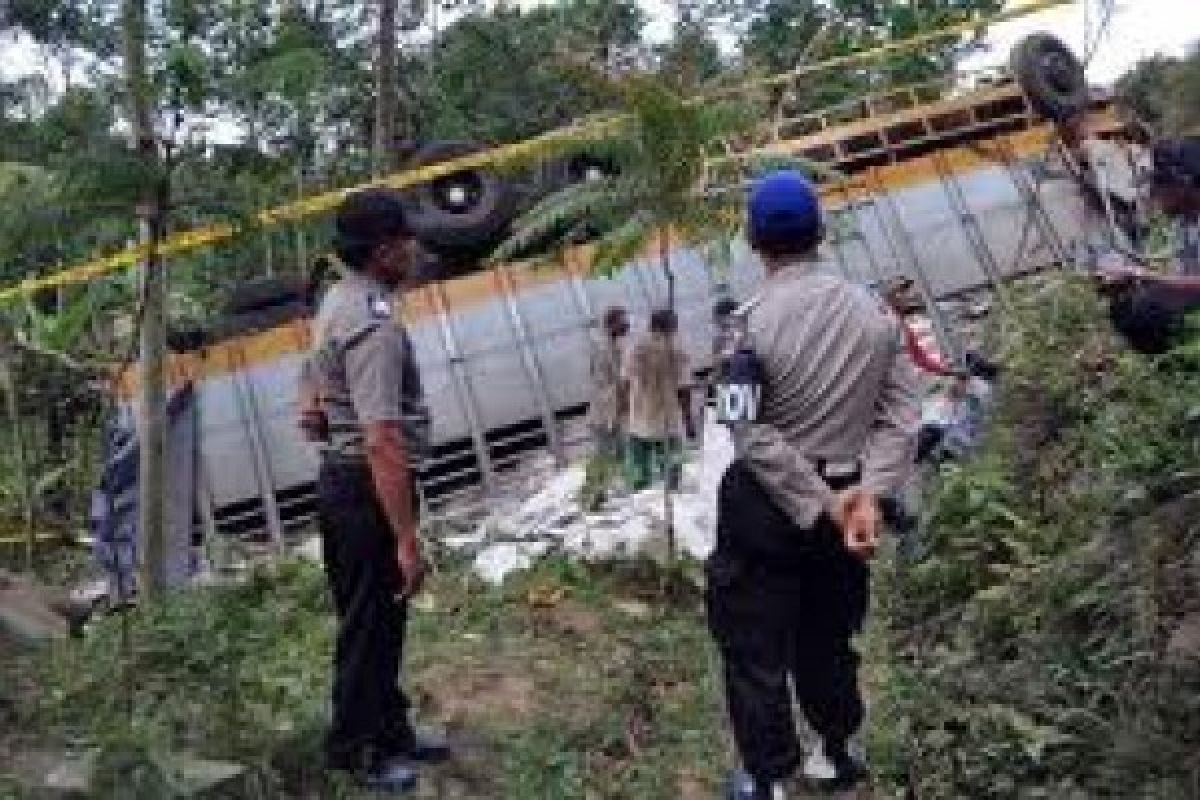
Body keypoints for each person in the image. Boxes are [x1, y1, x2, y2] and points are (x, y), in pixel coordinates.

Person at [706, 171, 920, 799]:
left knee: (753, 642)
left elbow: (747, 433)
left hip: (766, 505)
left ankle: (768, 776)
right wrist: (865, 497)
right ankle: (836, 753)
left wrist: (822, 503)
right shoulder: (876, 314)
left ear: (753, 240)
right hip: (849, 497)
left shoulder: (741, 328)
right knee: (828, 631)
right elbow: (900, 418)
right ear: (821, 233)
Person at [302, 189, 447, 793]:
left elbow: (312, 377)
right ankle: (353, 750)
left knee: (379, 619)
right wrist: (406, 539)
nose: (414, 249)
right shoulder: (374, 323)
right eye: (406, 240)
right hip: (366, 486)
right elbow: (382, 438)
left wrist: (311, 401)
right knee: (369, 624)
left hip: (346, 484)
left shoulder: (340, 298)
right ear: (384, 249)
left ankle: (391, 732)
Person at [1098, 137, 1200, 353]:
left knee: (1146, 315)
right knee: (1124, 301)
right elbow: (1185, 264)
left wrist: (1142, 274)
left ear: (1184, 184)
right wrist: (1132, 272)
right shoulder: (1184, 220)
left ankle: (1182, 362)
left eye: (1160, 187)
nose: (1155, 195)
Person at [624, 308, 695, 491]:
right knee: (671, 470)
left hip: (639, 420)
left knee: (640, 472)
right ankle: (672, 491)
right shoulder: (676, 350)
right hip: (667, 420)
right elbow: (684, 387)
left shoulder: (634, 347)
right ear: (669, 326)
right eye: (675, 325)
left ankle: (641, 498)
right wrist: (688, 420)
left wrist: (629, 407)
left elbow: (625, 382)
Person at [587, 306, 630, 462]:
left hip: (612, 414)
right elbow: (604, 384)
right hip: (605, 416)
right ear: (612, 324)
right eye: (623, 321)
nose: (627, 324)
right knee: (609, 460)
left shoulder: (613, 346)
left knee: (622, 457)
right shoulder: (604, 349)